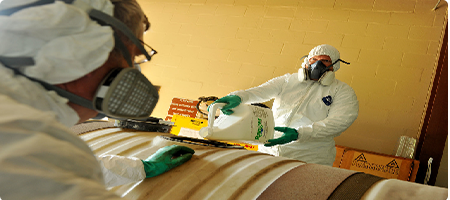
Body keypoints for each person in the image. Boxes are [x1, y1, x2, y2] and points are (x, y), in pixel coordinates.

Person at [0, 0, 194, 199]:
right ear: (81, 54)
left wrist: (140, 168)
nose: (133, 71)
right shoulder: (17, 138)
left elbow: (62, 168)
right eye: (132, 57)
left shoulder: (21, 125)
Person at [212, 44, 359, 166]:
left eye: (325, 61)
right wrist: (237, 96)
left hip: (310, 157)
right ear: (307, 61)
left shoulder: (342, 91)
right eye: (314, 59)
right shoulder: (289, 81)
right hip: (269, 149)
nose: (317, 64)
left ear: (334, 65)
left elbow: (338, 122)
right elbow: (261, 91)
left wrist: (300, 134)